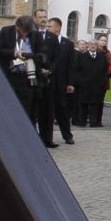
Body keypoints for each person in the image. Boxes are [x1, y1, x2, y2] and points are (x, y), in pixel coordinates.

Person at [43, 17, 75, 146]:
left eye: (50, 26)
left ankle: (67, 135)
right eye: (47, 26)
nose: (47, 29)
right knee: (46, 110)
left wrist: (70, 83)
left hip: (61, 81)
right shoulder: (44, 41)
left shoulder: (67, 44)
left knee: (62, 109)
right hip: (47, 80)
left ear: (58, 27)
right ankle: (46, 137)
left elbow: (71, 65)